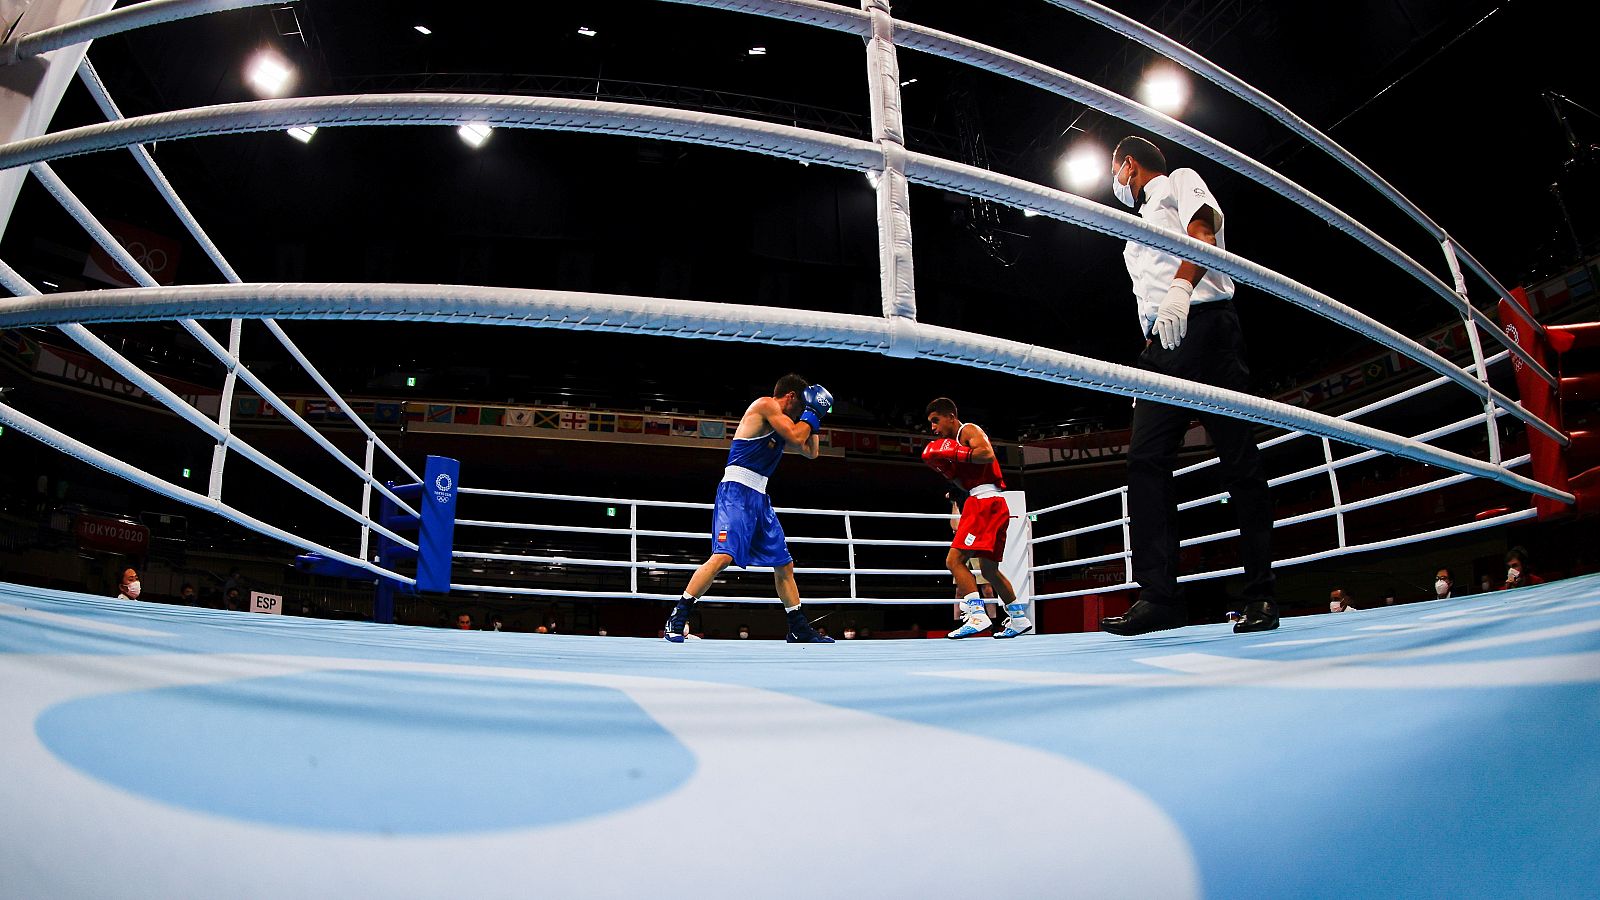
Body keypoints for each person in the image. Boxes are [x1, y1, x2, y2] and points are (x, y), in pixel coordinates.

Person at [1097, 135, 1278, 637]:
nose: (1116, 183)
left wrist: (1181, 289)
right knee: (1144, 460)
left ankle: (1261, 595)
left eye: (1115, 172)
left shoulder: (1180, 179)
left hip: (1205, 323)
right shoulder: (1134, 230)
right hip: (1161, 344)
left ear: (1128, 166)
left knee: (1238, 457)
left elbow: (1202, 230)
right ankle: (1160, 598)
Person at [664, 374, 834, 644]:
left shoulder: (789, 421)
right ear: (790, 396)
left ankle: (797, 627)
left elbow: (810, 452)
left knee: (784, 565)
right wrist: (812, 413)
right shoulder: (766, 405)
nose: (802, 411)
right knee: (723, 557)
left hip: (759, 495)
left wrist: (817, 418)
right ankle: (678, 616)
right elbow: (794, 435)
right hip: (736, 490)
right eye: (801, 405)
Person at [922, 397, 1033, 639]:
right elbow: (965, 481)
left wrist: (955, 453)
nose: (933, 428)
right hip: (985, 502)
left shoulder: (968, 430)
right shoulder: (952, 444)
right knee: (990, 570)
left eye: (935, 421)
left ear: (950, 416)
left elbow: (986, 455)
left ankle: (977, 615)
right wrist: (947, 470)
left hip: (985, 503)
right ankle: (1018, 618)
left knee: (954, 561)